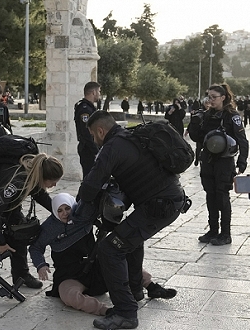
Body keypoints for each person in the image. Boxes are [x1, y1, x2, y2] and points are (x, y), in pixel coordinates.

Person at [78, 111, 185, 329]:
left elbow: (91, 184)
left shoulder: (111, 147)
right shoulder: (130, 136)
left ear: (100, 131)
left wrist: (78, 209)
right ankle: (135, 289)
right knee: (130, 239)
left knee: (110, 249)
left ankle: (126, 313)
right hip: (167, 201)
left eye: (92, 134)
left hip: (159, 206)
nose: (93, 139)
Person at [29, 193, 177, 316]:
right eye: (59, 210)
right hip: (70, 274)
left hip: (95, 265)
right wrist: (41, 265)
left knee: (122, 263)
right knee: (69, 296)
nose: (64, 213)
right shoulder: (49, 227)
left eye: (67, 208)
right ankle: (106, 310)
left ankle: (151, 287)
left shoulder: (82, 217)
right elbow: (36, 247)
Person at [0, 153, 64, 297]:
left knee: (20, 230)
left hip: (4, 201)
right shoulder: (17, 184)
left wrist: (59, 211)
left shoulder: (34, 175)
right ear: (43, 177)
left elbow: (41, 196)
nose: (54, 185)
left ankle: (21, 274)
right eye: (53, 181)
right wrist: (0, 242)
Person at [189, 84, 249, 246]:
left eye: (214, 97)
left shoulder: (232, 116)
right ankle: (213, 230)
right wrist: (194, 122)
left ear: (223, 97)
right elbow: (198, 138)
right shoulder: (207, 115)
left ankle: (225, 233)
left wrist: (242, 161)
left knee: (222, 196)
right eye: (209, 97)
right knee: (210, 195)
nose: (211, 100)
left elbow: (242, 140)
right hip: (208, 160)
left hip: (224, 162)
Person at [74, 82, 100, 179]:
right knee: (89, 177)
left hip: (90, 148)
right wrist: (96, 151)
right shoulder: (85, 110)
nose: (99, 94)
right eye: (99, 91)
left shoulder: (89, 107)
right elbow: (86, 133)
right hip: (88, 149)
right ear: (93, 92)